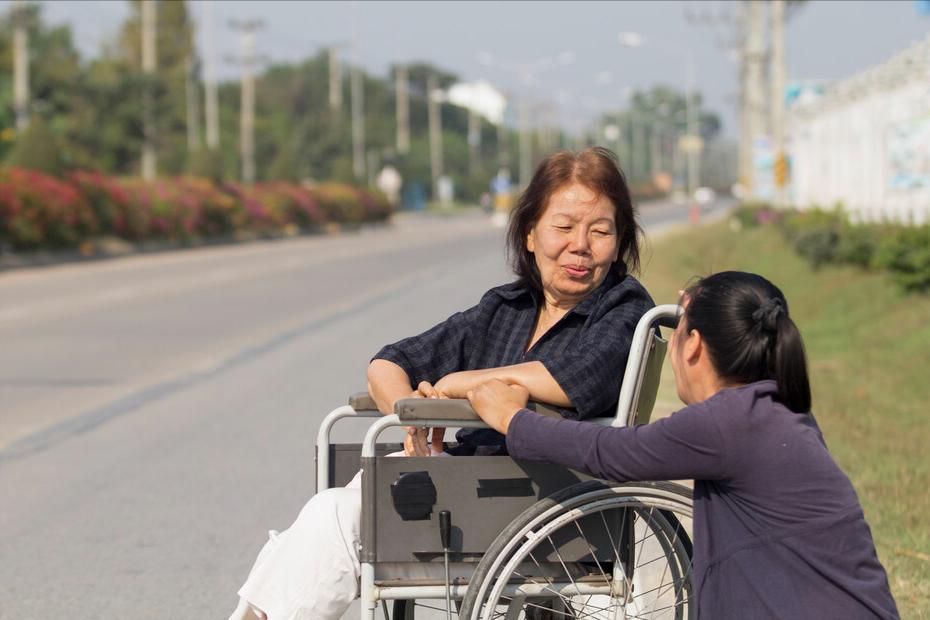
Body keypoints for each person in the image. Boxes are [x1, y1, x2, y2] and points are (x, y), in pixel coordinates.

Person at [228, 147, 655, 620]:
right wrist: (410, 415)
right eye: (564, 226)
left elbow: (575, 379)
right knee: (326, 518)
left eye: (600, 230)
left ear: (619, 242)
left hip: (540, 497)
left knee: (333, 517)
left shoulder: (624, 308)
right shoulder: (504, 308)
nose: (581, 245)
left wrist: (461, 384)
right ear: (530, 234)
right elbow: (389, 362)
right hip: (462, 487)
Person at [467, 271, 899, 619]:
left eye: (678, 334)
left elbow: (610, 453)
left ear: (692, 344)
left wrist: (512, 419)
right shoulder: (774, 409)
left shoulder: (729, 423)